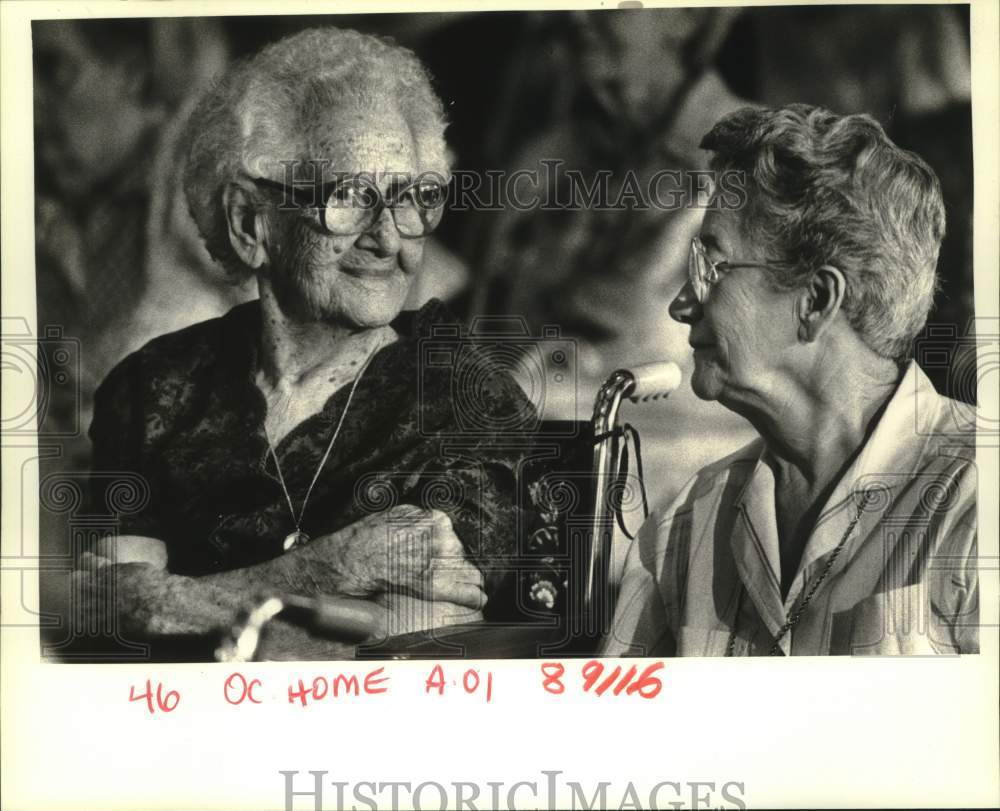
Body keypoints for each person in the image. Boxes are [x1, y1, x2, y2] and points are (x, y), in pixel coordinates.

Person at [75, 27, 535, 660]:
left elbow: (398, 642)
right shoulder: (151, 387)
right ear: (250, 224)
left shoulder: (469, 402)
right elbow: (107, 611)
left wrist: (180, 602)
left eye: (414, 199)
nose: (387, 236)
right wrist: (323, 570)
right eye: (348, 197)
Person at [603, 104, 978, 656]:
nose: (682, 305)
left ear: (816, 300)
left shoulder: (973, 502)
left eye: (712, 267)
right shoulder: (681, 529)